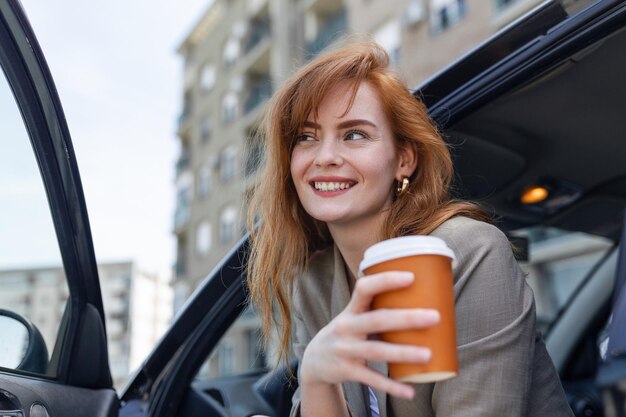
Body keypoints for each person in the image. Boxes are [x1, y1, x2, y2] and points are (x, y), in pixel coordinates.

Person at [247, 41, 573, 417]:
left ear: (403, 159)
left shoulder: (468, 252)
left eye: (354, 134)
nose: (324, 157)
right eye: (306, 137)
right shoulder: (314, 282)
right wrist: (317, 378)